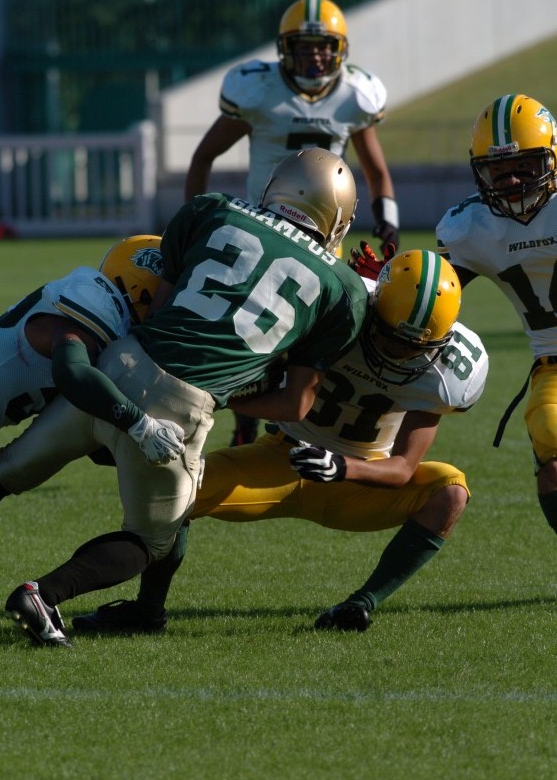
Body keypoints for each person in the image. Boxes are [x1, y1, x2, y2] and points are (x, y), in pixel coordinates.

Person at [0, 147, 370, 647]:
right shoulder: (343, 289)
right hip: (181, 404)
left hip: (118, 364)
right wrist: (229, 394)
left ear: (275, 186)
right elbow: (296, 405)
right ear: (336, 217)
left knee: (3, 470)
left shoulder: (213, 208)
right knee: (153, 538)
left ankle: (148, 612)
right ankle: (43, 594)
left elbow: (162, 310)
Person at [70, 249, 489, 635]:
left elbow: (402, 468)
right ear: (374, 307)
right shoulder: (340, 307)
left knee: (450, 490)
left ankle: (360, 604)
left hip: (359, 480)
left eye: (414, 346)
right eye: (391, 337)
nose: (398, 353)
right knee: (175, 497)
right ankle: (146, 612)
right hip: (280, 457)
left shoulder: (447, 371)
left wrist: (340, 467)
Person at [184, 0, 399, 446]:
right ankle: (246, 423)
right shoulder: (259, 91)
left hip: (325, 240)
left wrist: (388, 222)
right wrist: (190, 221)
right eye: (305, 46)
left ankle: (295, 430)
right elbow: (203, 156)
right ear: (286, 49)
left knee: (310, 343)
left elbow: (377, 171)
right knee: (253, 333)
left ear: (340, 51)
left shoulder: (353, 96)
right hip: (260, 232)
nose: (315, 56)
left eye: (324, 47)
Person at [436, 93, 557, 536]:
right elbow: (435, 296)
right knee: (551, 445)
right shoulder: (469, 227)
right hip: (553, 362)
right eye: (499, 171)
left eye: (524, 166)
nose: (512, 181)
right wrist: (390, 286)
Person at [0, 235, 163, 449]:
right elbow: (71, 371)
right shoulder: (99, 307)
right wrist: (138, 423)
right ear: (143, 290)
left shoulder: (95, 300)